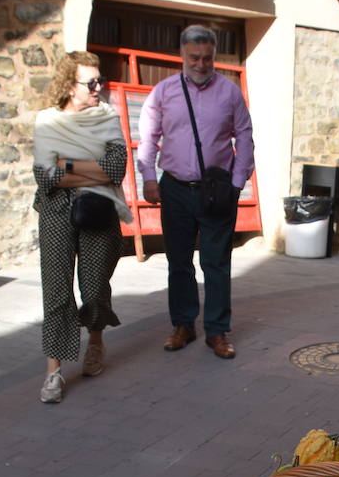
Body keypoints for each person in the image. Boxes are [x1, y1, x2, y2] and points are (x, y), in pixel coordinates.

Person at [138, 25, 255, 360]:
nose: (202, 64)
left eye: (207, 58)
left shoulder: (230, 93)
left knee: (216, 262)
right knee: (178, 261)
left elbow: (244, 136)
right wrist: (148, 177)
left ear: (214, 55)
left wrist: (237, 184)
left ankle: (217, 332)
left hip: (216, 190)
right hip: (174, 187)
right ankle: (183, 325)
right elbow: (148, 139)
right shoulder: (163, 92)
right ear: (182, 55)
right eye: (195, 58)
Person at [31, 51, 132, 404]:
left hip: (97, 210)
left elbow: (116, 169)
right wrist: (92, 167)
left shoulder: (107, 118)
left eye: (99, 80)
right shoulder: (47, 120)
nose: (97, 88)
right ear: (68, 87)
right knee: (56, 291)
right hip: (56, 211)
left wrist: (68, 164)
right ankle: (54, 372)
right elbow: (45, 175)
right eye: (90, 83)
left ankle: (96, 340)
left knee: (93, 288)